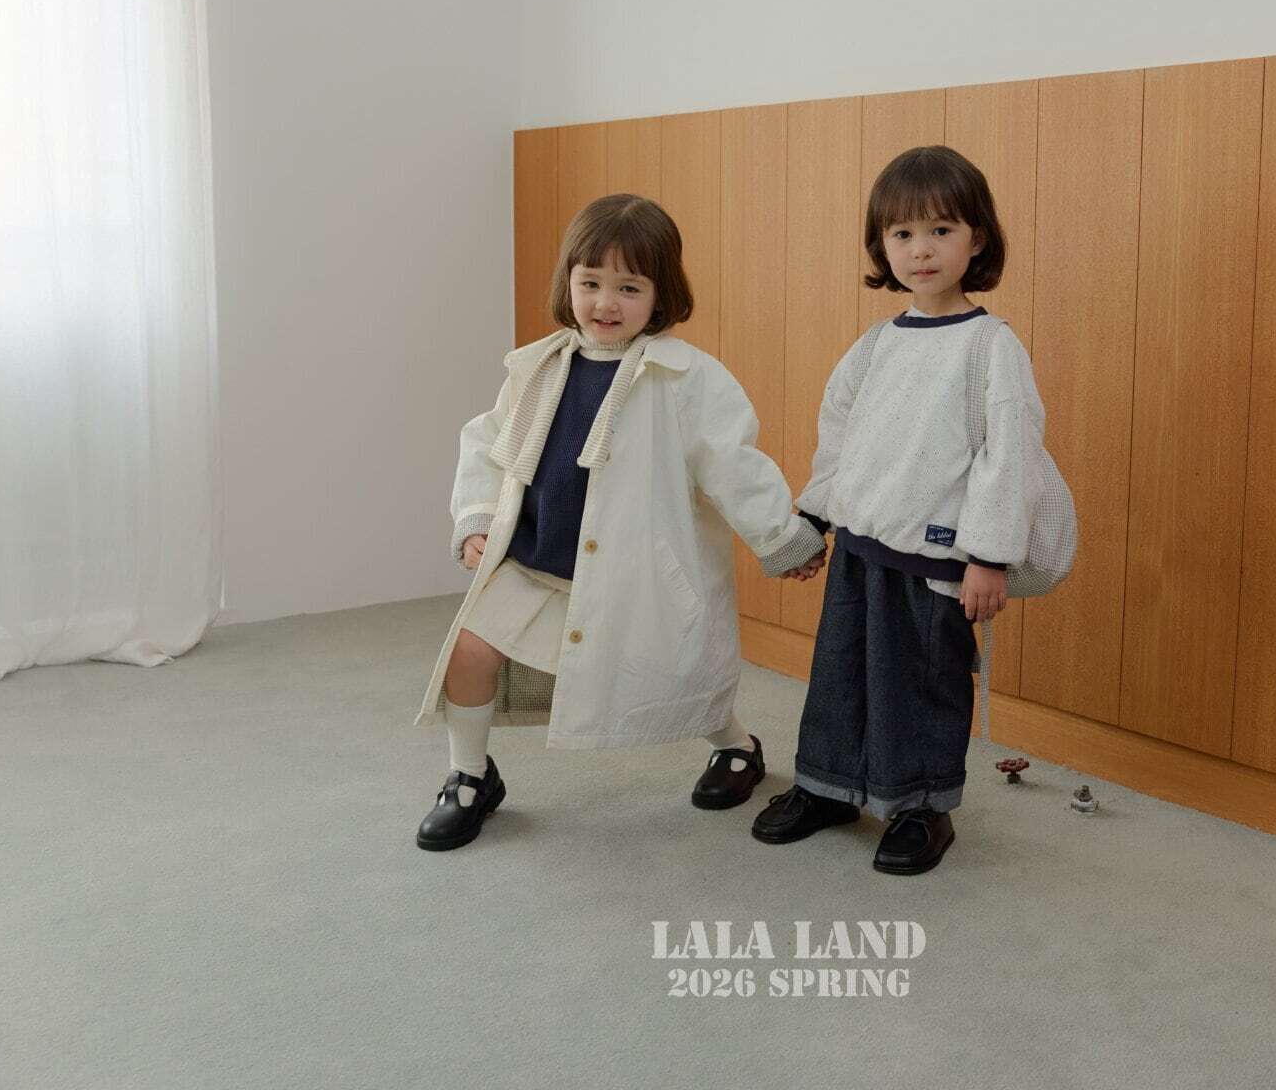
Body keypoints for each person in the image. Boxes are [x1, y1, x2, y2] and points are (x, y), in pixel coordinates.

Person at [412, 194, 827, 851]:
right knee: (469, 650)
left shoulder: (685, 378)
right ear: (568, 284)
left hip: (632, 570)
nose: (606, 303)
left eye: (628, 288)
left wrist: (781, 538)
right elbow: (487, 444)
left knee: (676, 671)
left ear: (660, 295)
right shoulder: (536, 367)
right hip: (533, 559)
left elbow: (734, 464)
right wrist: (477, 518)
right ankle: (469, 775)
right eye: (591, 283)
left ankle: (736, 746)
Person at [753, 145, 1050, 875]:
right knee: (841, 674)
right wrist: (815, 520)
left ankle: (921, 806)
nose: (921, 250)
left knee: (920, 684)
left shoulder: (990, 348)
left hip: (936, 558)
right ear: (881, 246)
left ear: (977, 239)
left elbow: (1009, 456)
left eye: (941, 230)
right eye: (903, 234)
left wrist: (989, 556)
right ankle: (827, 786)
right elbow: (840, 438)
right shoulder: (876, 345)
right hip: (861, 549)